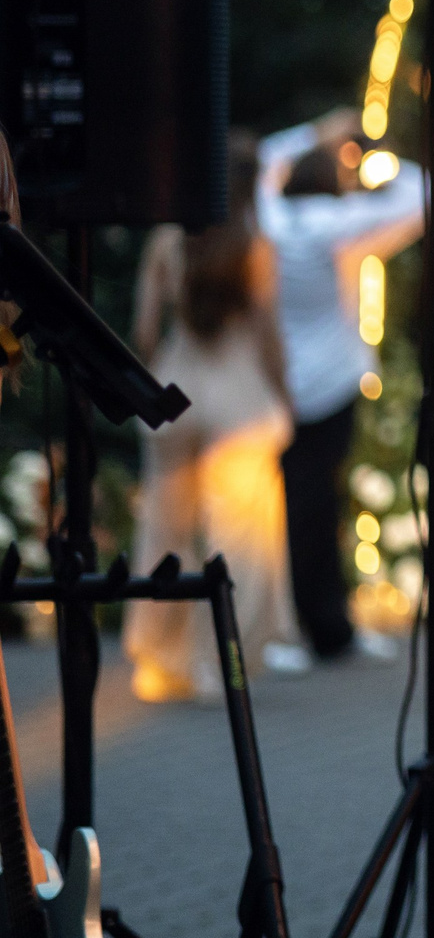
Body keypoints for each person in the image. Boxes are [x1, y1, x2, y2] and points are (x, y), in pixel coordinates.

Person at [126, 134, 299, 703]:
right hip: (239, 403)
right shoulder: (255, 247)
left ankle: (160, 658)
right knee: (239, 540)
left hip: (175, 392)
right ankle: (222, 660)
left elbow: (144, 332)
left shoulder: (166, 242)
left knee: (164, 529)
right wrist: (285, 395)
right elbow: (269, 336)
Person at [258, 110, 423, 667]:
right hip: (331, 385)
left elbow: (259, 160)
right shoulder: (341, 224)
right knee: (321, 505)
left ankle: (298, 625)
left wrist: (314, 132)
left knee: (288, 507)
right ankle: (326, 628)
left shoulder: (270, 218)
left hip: (278, 382)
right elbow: (421, 195)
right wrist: (374, 149)